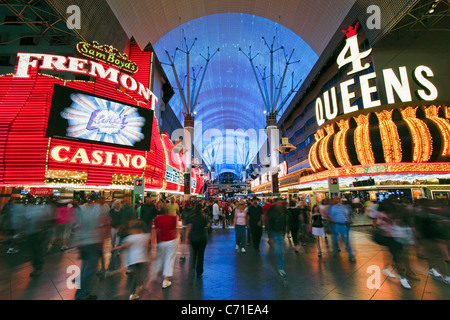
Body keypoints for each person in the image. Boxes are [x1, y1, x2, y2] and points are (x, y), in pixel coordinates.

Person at [111, 219, 150, 300]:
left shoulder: (130, 238)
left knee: (136, 277)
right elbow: (146, 245)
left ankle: (134, 292)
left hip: (133, 261)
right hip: (141, 260)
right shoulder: (143, 236)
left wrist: (115, 248)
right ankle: (136, 291)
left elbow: (124, 245)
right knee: (139, 277)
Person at [74, 199, 103, 300]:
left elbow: (79, 227)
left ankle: (83, 292)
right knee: (90, 270)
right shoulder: (95, 211)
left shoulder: (81, 211)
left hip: (85, 243)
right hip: (91, 243)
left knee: (87, 268)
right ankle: (81, 294)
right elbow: (97, 227)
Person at [150, 205, 179, 289]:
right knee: (169, 260)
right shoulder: (173, 218)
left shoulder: (157, 219)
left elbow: (157, 231)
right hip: (171, 241)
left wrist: (157, 242)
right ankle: (166, 280)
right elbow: (174, 231)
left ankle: (154, 273)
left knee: (160, 258)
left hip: (162, 241)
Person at [328, 197, 356, 262]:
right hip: (336, 225)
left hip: (342, 225)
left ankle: (350, 255)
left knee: (346, 240)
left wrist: (348, 221)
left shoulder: (343, 207)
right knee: (336, 239)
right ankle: (335, 250)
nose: (337, 200)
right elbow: (331, 217)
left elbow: (346, 215)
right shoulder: (333, 207)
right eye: (336, 199)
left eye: (338, 199)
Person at [187, 202, 210, 278]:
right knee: (201, 255)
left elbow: (189, 227)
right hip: (202, 238)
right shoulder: (204, 217)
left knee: (193, 253)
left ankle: (192, 267)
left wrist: (187, 237)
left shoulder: (192, 217)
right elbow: (208, 225)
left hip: (193, 238)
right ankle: (199, 271)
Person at [266, 198, 288, 277]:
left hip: (281, 232)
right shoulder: (272, 211)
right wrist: (269, 236)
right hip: (274, 232)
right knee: (279, 250)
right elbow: (269, 223)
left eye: (281, 203)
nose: (280, 204)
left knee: (280, 251)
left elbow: (287, 217)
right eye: (279, 203)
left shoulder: (284, 210)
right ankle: (280, 267)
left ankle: (280, 267)